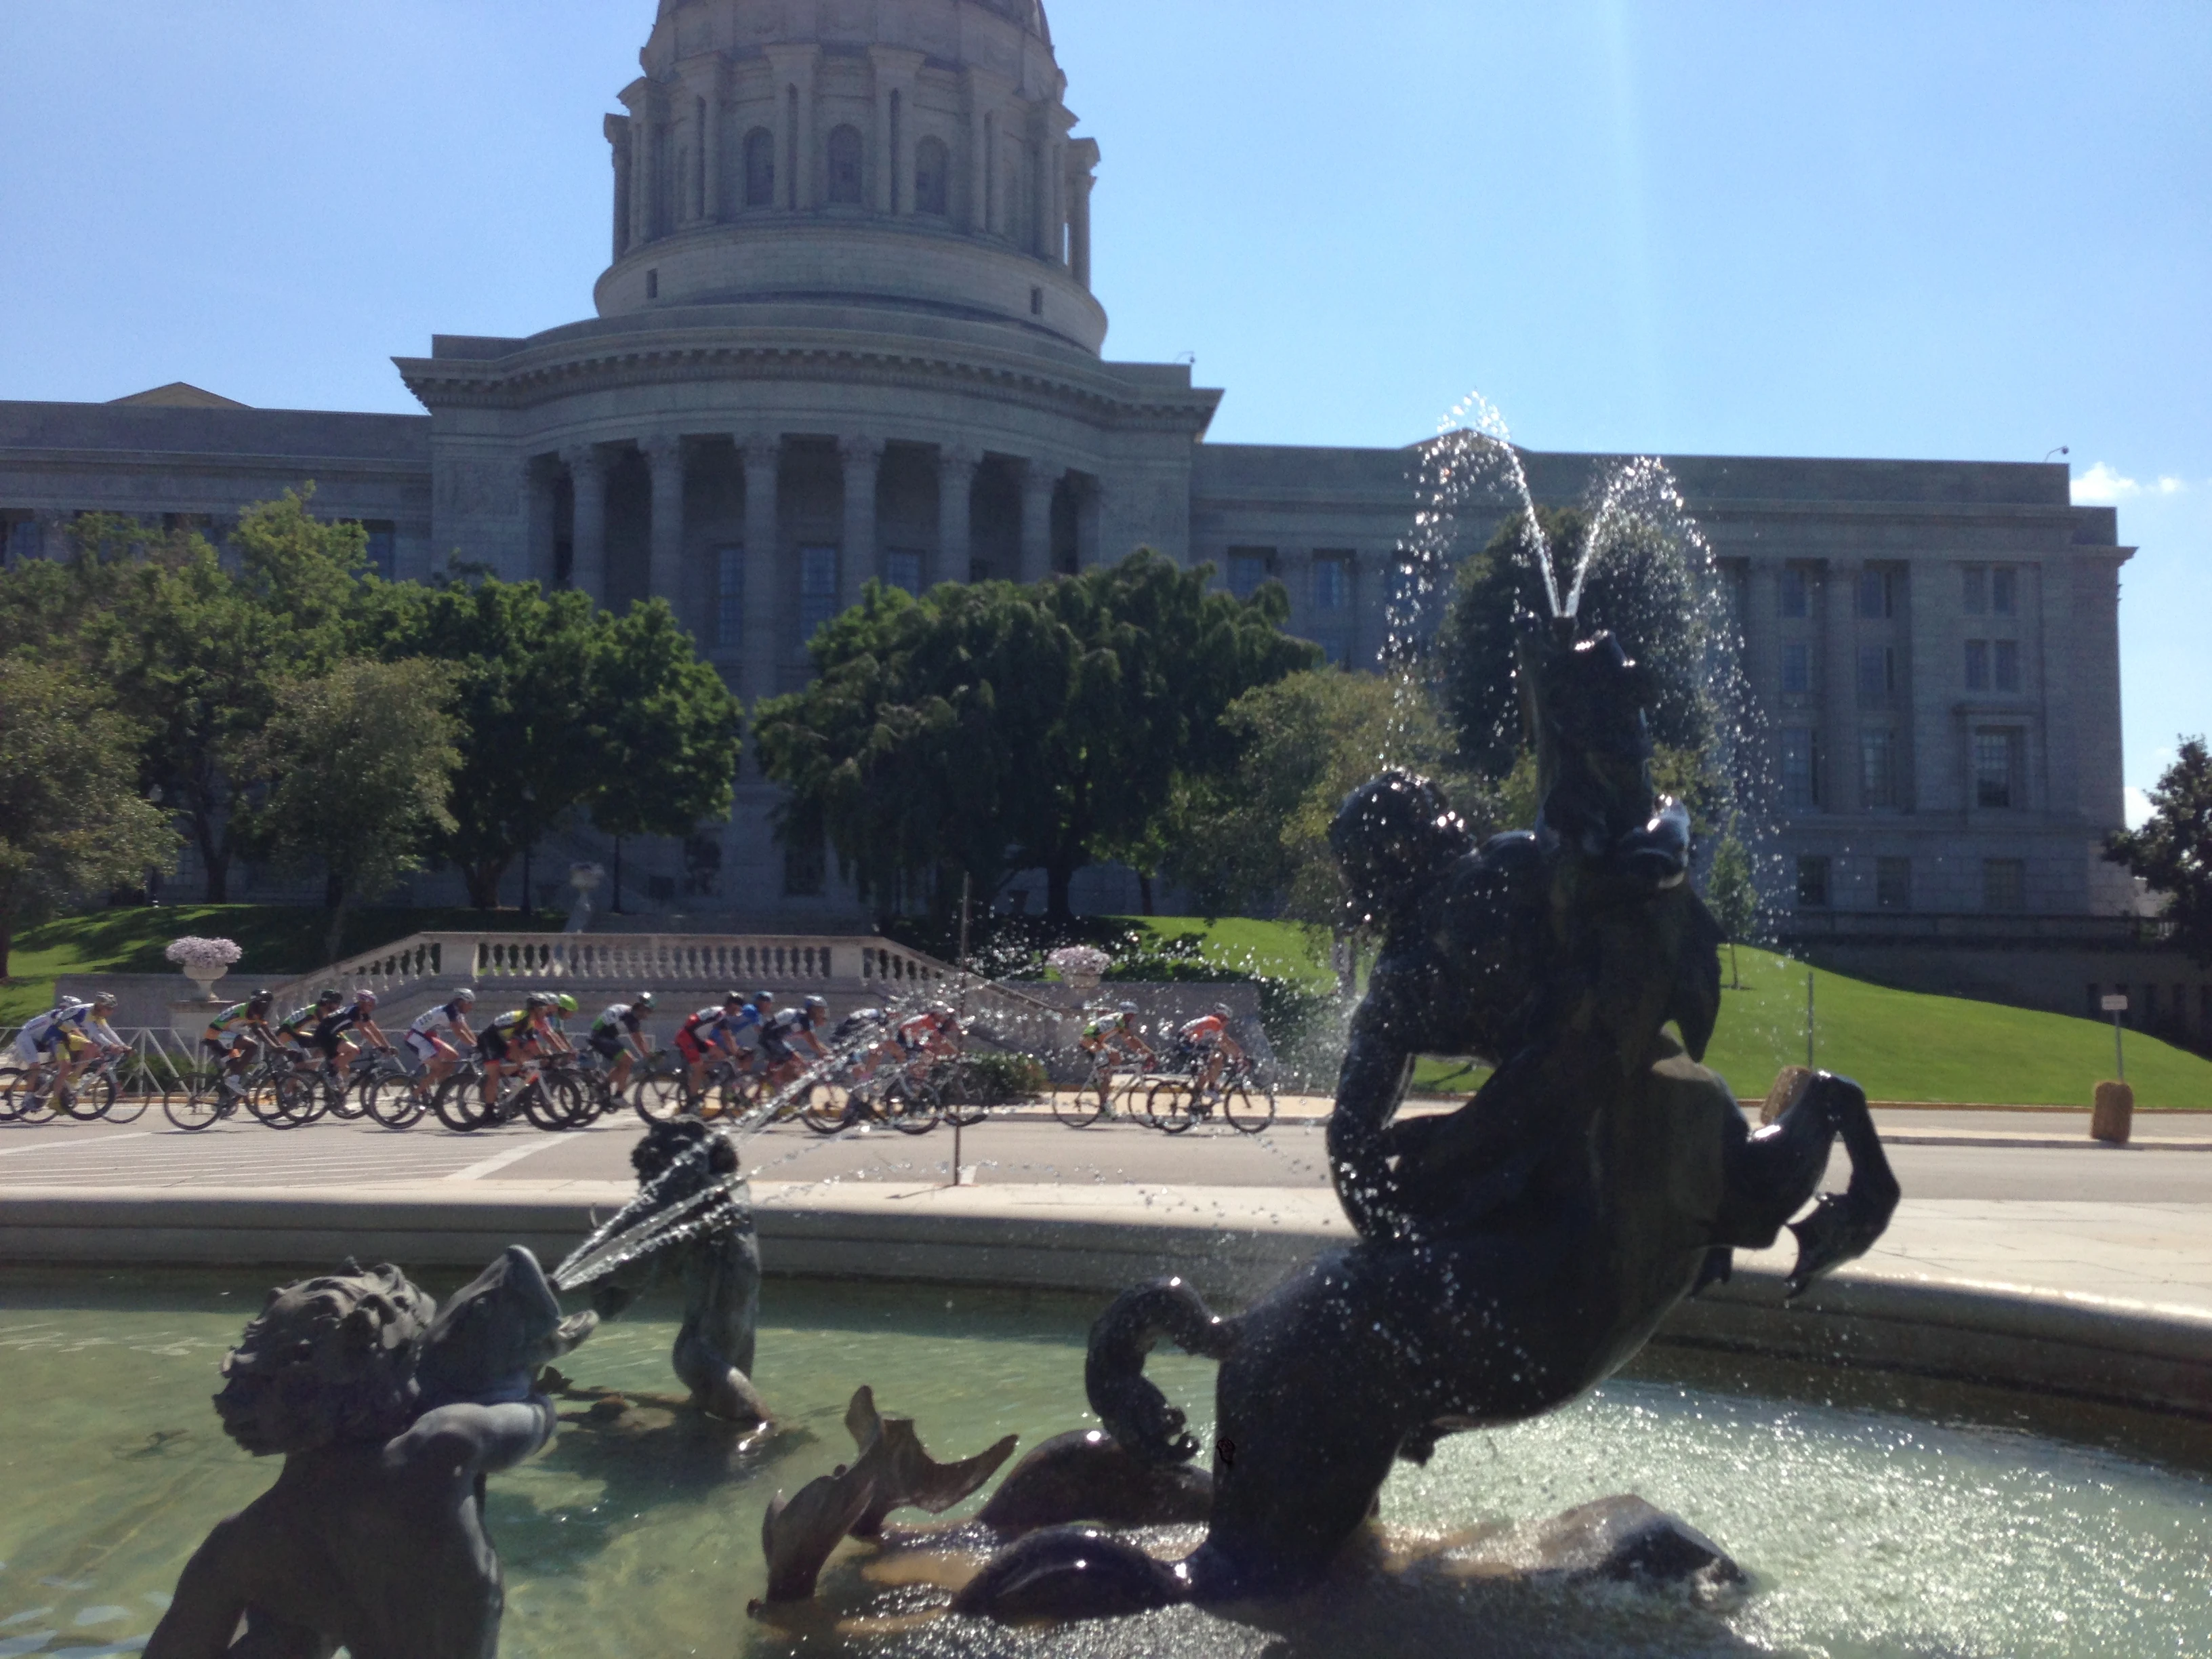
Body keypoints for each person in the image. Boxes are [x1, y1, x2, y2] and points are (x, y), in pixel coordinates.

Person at [477, 993, 558, 1109]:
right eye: (544, 1009)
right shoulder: (523, 1019)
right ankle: (488, 1112)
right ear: (535, 1009)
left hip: (500, 1040)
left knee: (528, 1057)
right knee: (494, 1076)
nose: (546, 1012)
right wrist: (520, 1065)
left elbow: (533, 1043)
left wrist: (544, 1057)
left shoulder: (530, 1020)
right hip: (488, 1040)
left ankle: (509, 1082)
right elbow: (514, 1046)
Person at [1079, 1002, 1157, 1113]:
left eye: (1133, 1015)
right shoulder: (1119, 1020)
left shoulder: (1117, 1019)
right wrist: (1148, 1053)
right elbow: (1131, 1040)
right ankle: (1103, 1102)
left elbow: (1131, 1040)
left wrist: (1146, 1053)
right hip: (1088, 1041)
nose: (1132, 1018)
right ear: (1125, 1014)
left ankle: (1102, 1080)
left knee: (1116, 1057)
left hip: (1095, 1041)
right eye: (1130, 1015)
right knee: (1108, 1067)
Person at [202, 991, 276, 1099]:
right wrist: (274, 1046)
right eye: (267, 1004)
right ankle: (232, 1080)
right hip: (216, 1034)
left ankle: (223, 1099)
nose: (268, 1007)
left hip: (223, 1035)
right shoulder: (250, 1011)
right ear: (262, 1003)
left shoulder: (254, 1009)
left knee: (237, 1066)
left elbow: (268, 1031)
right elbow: (258, 1031)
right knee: (252, 1046)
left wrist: (279, 1045)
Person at [313, 988, 394, 1086]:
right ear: (362, 1003)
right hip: (325, 1036)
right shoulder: (354, 1011)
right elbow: (365, 1032)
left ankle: (331, 1081)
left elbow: (375, 1030)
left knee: (342, 1064)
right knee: (354, 1050)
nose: (372, 1008)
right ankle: (329, 1076)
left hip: (328, 1035)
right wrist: (379, 1047)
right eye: (370, 1005)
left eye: (373, 1005)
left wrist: (388, 1046)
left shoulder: (360, 1011)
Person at [405, 987, 478, 1095]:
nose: (471, 1007)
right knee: (438, 1068)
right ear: (462, 1001)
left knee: (453, 1056)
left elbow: (466, 1029)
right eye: (470, 1003)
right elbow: (459, 1033)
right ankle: (415, 1095)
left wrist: (477, 1043)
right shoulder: (450, 1011)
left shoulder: (456, 1011)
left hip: (428, 1037)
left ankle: (440, 1092)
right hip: (416, 1038)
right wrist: (475, 1045)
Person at [676, 994, 752, 1097]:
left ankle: (704, 1073)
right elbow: (728, 1038)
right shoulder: (721, 1015)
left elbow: (729, 1037)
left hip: (698, 1037)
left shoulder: (720, 1012)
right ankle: (691, 1100)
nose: (738, 1012)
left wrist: (736, 1050)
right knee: (699, 1068)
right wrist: (739, 1054)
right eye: (739, 1009)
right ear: (733, 1006)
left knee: (720, 1054)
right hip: (688, 1037)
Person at [756, 996, 830, 1088]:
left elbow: (815, 1041)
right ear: (812, 1009)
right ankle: (777, 1079)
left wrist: (829, 1051)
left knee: (795, 1062)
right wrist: (826, 1054)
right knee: (797, 1061)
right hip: (770, 1039)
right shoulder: (802, 1018)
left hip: (775, 1039)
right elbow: (813, 1044)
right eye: (820, 1010)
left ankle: (769, 1084)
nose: (822, 1014)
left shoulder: (805, 1019)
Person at [588, 992, 655, 1094]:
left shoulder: (630, 1013)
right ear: (642, 1009)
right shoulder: (630, 1017)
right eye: (648, 1011)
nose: (648, 1015)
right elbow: (637, 1039)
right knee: (629, 1061)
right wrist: (647, 1055)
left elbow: (640, 1036)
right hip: (601, 1037)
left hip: (603, 1036)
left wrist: (648, 1052)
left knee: (624, 1064)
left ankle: (601, 1088)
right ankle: (618, 1096)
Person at [1174, 1003, 1244, 1093]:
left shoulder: (1210, 1021)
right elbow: (1223, 1042)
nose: (1227, 1023)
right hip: (1187, 1044)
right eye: (1227, 1020)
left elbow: (1225, 1041)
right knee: (1218, 1057)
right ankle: (1211, 1089)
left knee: (1204, 1075)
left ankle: (1195, 1102)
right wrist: (1237, 1056)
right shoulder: (1215, 1022)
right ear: (1222, 1017)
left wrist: (1236, 1054)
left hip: (1185, 1043)